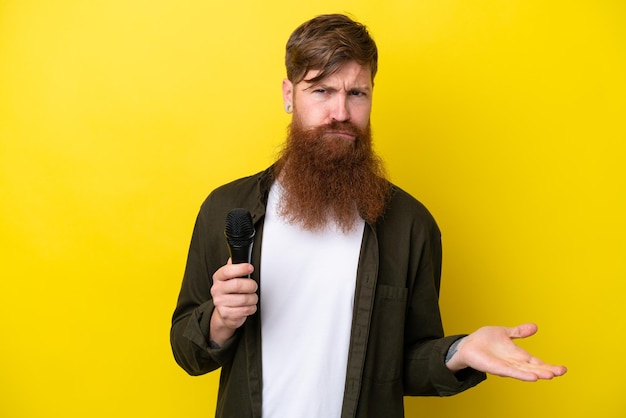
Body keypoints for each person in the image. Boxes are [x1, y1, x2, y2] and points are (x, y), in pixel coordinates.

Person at [170, 13, 566, 418]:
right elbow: (187, 352)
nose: (341, 112)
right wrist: (220, 320)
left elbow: (403, 366)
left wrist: (458, 351)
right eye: (321, 90)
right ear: (289, 94)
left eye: (356, 93)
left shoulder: (411, 225)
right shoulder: (227, 209)